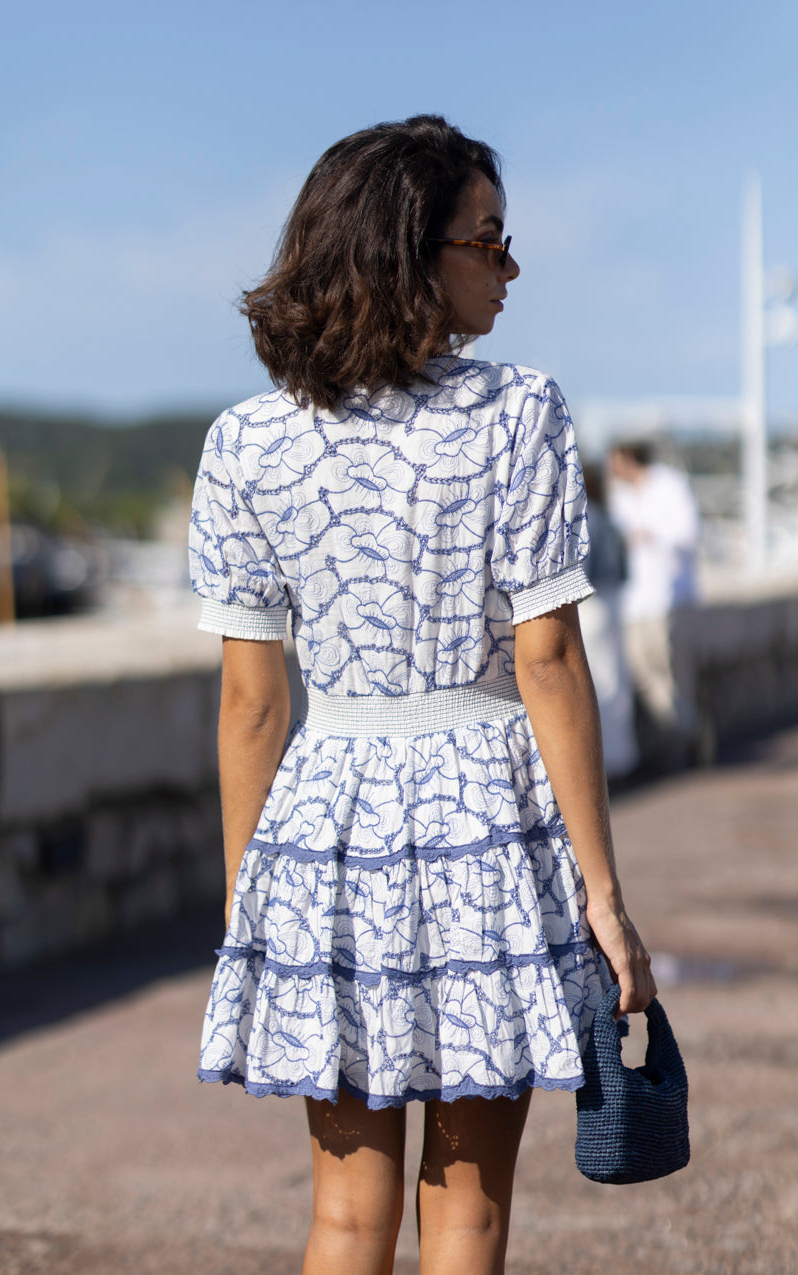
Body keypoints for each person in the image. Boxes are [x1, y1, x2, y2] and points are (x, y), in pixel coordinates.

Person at [189, 115, 656, 1275]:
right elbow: (545, 663)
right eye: (488, 242)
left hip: (324, 825)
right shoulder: (519, 413)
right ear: (411, 254)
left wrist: (258, 900)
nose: (509, 267)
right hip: (483, 828)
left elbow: (253, 704)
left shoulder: (245, 443)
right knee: (468, 1214)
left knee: (344, 1218)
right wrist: (602, 893)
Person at [608, 440, 700, 770]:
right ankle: (688, 731)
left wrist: (652, 535)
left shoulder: (670, 485)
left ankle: (683, 740)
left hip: (670, 596)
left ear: (628, 458)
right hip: (633, 601)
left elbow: (689, 533)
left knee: (672, 673)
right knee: (643, 672)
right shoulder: (618, 495)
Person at [578, 462, 639, 780]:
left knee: (594, 683)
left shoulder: (585, 521)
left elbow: (581, 573)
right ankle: (622, 756)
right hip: (615, 603)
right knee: (616, 679)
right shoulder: (612, 521)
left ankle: (600, 762)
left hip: (591, 606)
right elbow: (627, 572)